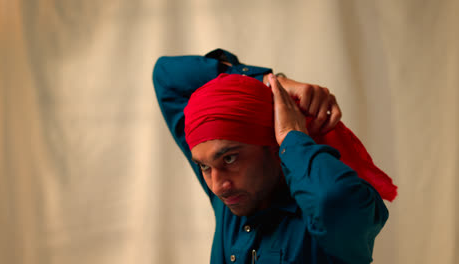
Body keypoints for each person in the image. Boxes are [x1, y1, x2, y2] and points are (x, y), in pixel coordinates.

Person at [152, 49, 390, 263]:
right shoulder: (233, 198)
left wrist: (292, 137)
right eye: (204, 166)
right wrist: (268, 83)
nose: (217, 186)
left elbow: (333, 201)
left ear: (274, 144)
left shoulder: (326, 216)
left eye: (230, 159)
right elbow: (166, 75)